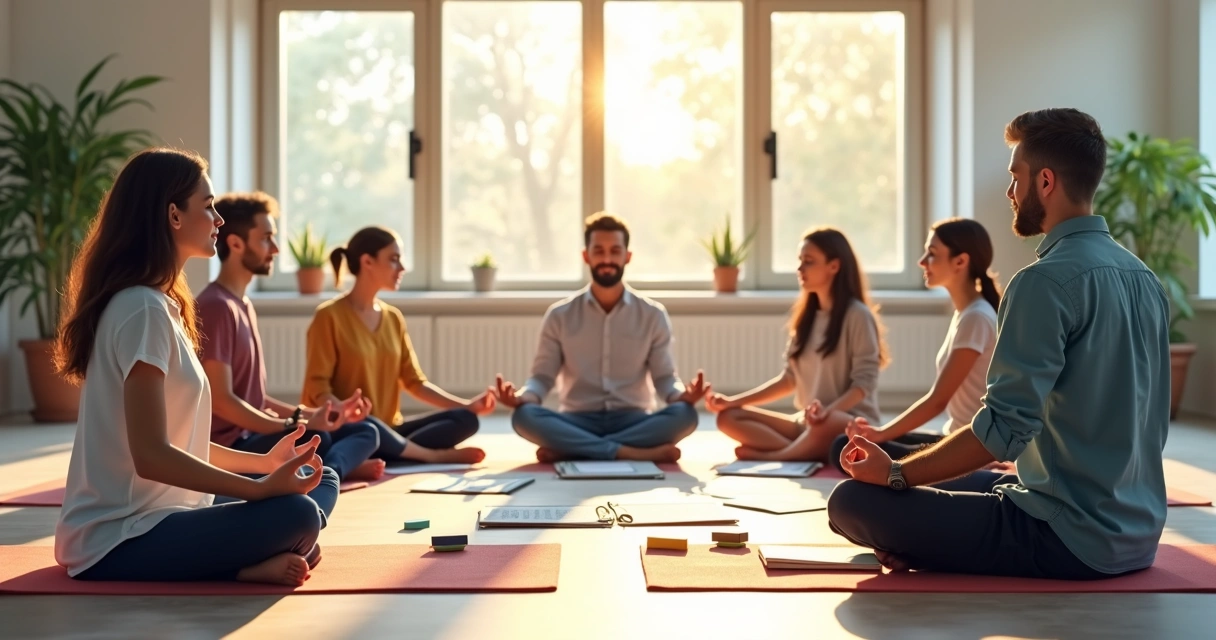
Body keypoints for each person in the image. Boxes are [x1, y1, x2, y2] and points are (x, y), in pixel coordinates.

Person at [828, 108, 1171, 580]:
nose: (1010, 192)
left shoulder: (1042, 282)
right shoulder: (1146, 280)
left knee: (852, 500)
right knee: (980, 483)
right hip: (1137, 533)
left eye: (1016, 178)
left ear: (1045, 182)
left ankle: (924, 538)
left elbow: (1003, 430)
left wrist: (896, 476)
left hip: (1066, 538)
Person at [54, 148, 331, 586]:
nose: (219, 219)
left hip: (172, 511)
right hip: (117, 539)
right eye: (208, 207)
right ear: (173, 216)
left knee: (322, 482)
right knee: (297, 514)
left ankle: (253, 554)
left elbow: (183, 442)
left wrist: (262, 464)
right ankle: (242, 565)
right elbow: (151, 457)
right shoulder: (140, 308)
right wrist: (259, 490)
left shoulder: (162, 304)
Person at [198, 191, 383, 482]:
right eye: (266, 238)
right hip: (234, 449)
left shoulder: (242, 304)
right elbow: (221, 401)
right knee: (322, 435)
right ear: (235, 243)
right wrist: (294, 423)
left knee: (365, 429)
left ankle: (326, 471)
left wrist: (312, 414)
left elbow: (255, 400)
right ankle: (329, 473)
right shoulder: (217, 307)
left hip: (255, 434)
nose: (275, 248)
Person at [495, 212, 708, 462]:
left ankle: (572, 450)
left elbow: (664, 378)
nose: (607, 259)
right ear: (586, 256)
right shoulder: (559, 315)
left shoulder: (653, 315)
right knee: (524, 417)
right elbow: (542, 377)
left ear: (627, 256)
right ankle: (625, 452)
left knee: (685, 415)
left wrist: (681, 396)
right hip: (577, 419)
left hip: (633, 418)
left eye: (615, 251)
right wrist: (522, 397)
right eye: (599, 251)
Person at [302, 226, 490, 464]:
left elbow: (415, 382)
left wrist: (467, 405)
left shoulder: (393, 318)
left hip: (390, 431)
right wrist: (343, 411)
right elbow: (317, 386)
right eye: (394, 260)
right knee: (368, 425)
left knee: (466, 419)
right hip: (348, 429)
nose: (402, 268)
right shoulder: (328, 316)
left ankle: (385, 455)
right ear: (367, 261)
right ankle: (429, 456)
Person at [828, 218, 1001, 472]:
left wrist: (881, 433)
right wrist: (879, 434)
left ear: (960, 262)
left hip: (967, 449)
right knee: (846, 445)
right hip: (952, 437)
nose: (922, 262)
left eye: (931, 254)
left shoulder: (976, 317)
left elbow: (937, 401)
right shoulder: (967, 313)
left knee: (851, 448)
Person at [704, 227, 888, 462]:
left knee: (829, 423)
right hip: (807, 423)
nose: (800, 269)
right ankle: (803, 451)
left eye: (809, 261)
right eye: (800, 261)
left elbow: (863, 384)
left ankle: (778, 456)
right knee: (728, 417)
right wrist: (733, 401)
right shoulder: (806, 317)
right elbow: (789, 379)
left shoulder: (858, 315)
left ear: (834, 266)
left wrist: (827, 412)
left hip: (844, 423)